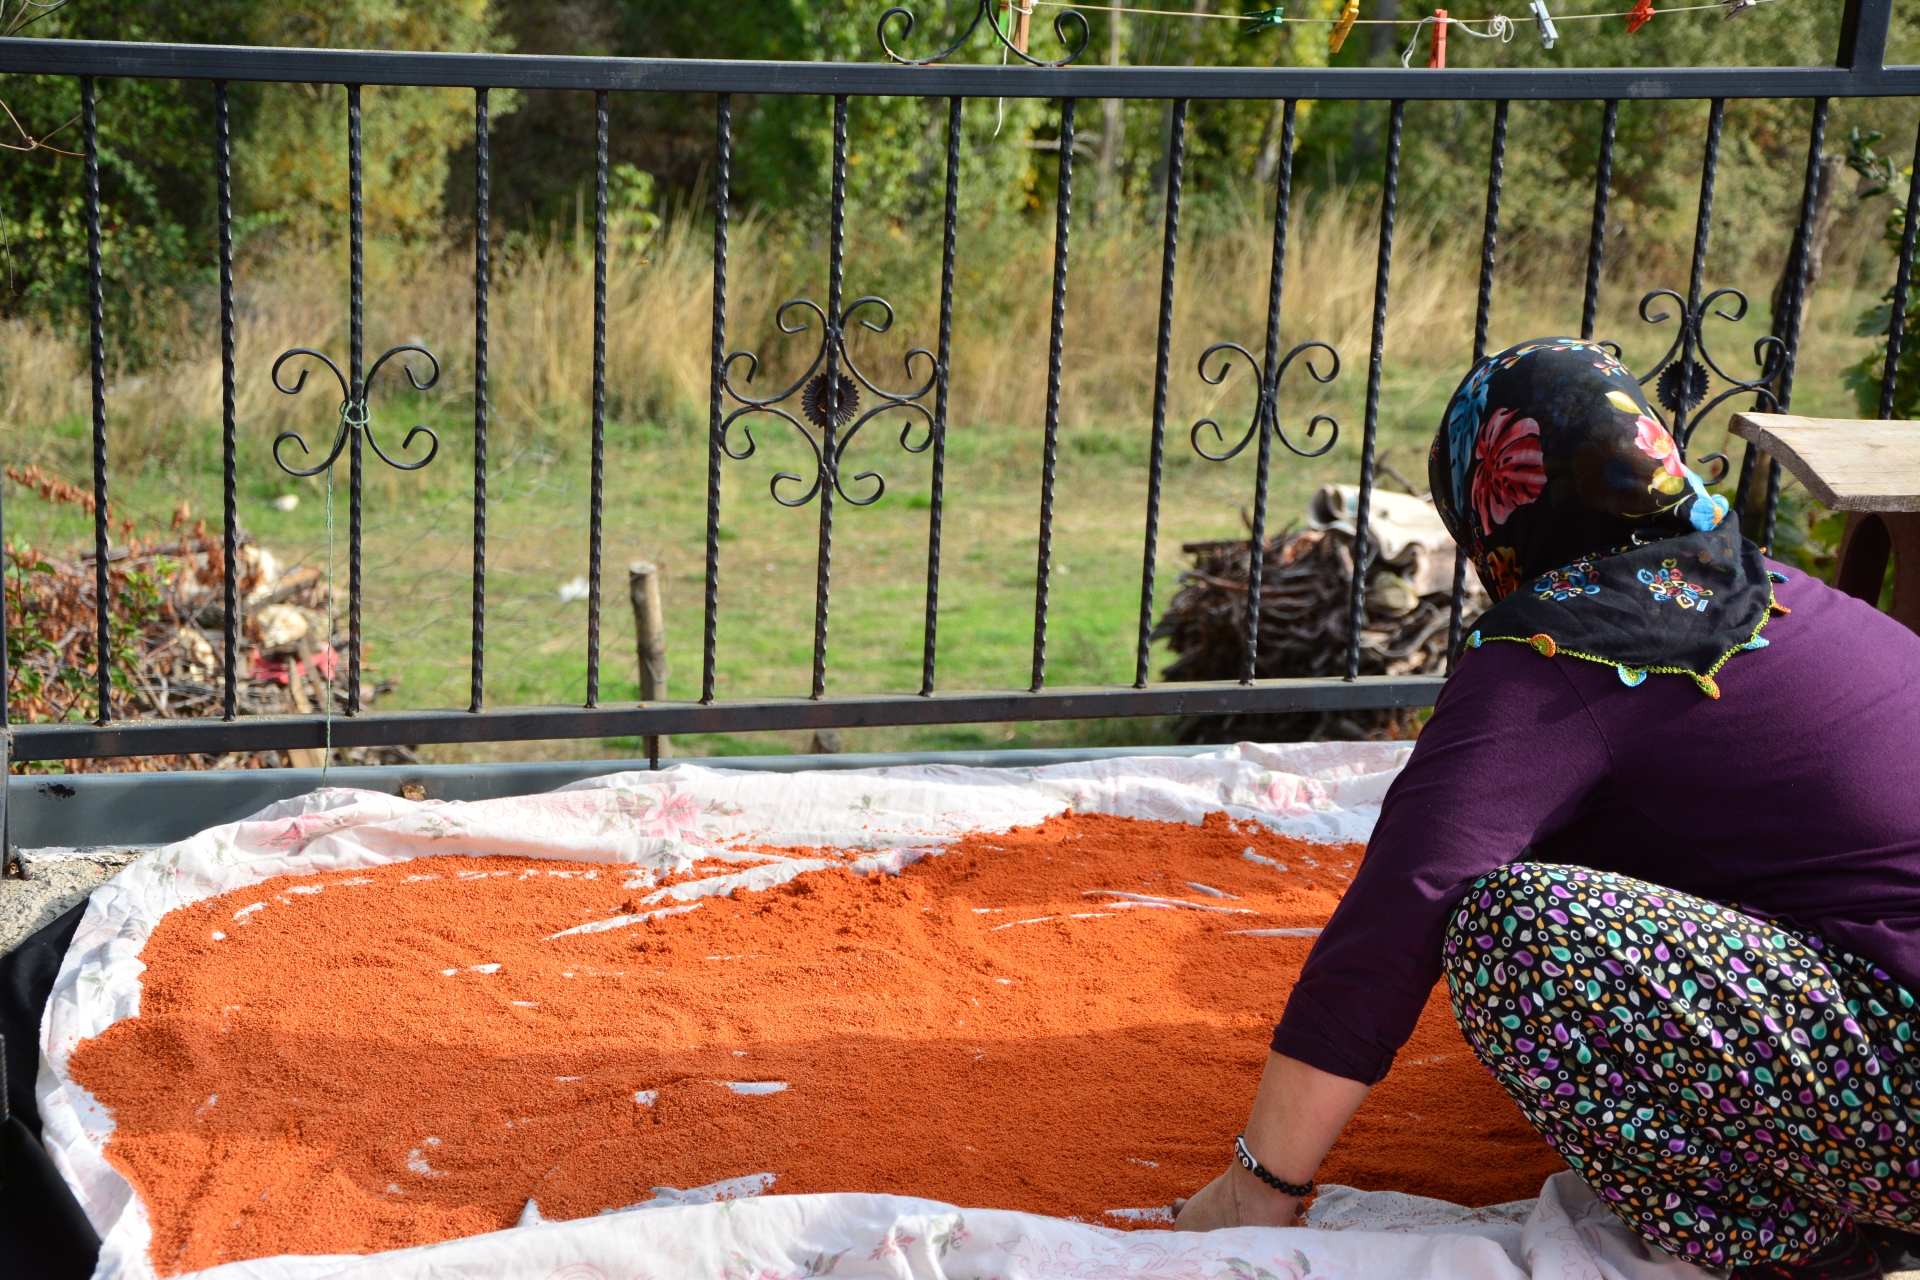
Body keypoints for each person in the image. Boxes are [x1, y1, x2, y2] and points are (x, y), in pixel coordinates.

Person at [1171, 339, 1920, 1280]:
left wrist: (1259, 1186)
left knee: (1514, 931)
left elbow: (1404, 903)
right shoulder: (1764, 589)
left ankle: (1808, 1247)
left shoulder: (1565, 646)